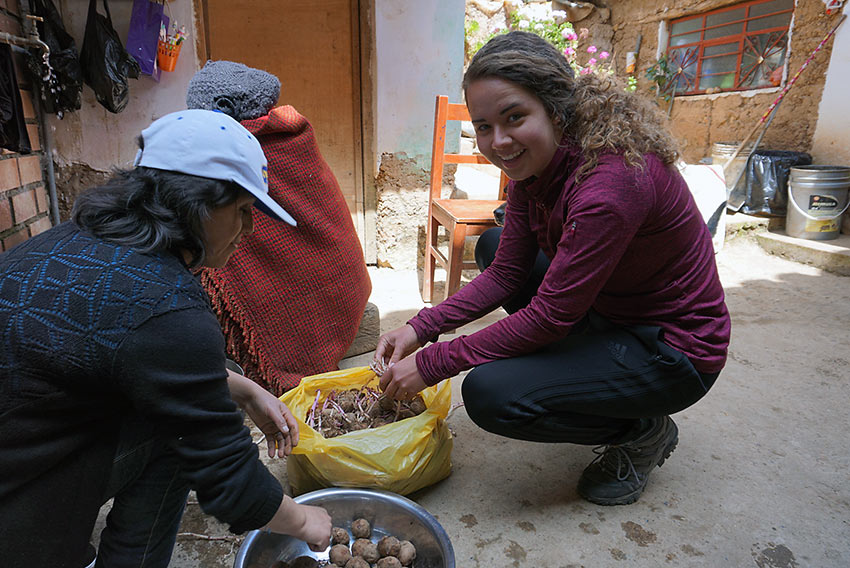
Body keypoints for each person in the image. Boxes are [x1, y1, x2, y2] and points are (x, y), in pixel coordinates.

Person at [374, 31, 731, 506]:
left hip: (672, 350)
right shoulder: (535, 166)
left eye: (514, 117)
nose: (498, 142)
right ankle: (591, 370)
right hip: (611, 310)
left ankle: (643, 431)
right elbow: (505, 274)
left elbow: (550, 316)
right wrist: (422, 326)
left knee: (492, 395)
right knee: (497, 245)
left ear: (556, 108)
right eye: (482, 126)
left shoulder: (611, 183)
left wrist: (435, 362)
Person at [0, 109, 332, 568]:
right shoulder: (167, 304)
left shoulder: (68, 241)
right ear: (196, 203)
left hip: (21, 444)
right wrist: (305, 521)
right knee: (175, 430)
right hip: (17, 512)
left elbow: (121, 348)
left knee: (213, 382)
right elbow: (230, 484)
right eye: (241, 211)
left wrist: (241, 388)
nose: (250, 230)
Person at [186, 60, 372, 395]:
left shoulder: (238, 150)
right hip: (346, 291)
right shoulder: (292, 131)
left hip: (311, 304)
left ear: (221, 112)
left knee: (198, 256)